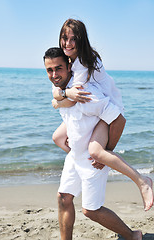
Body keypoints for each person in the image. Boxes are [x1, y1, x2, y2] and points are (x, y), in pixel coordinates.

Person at [51, 18, 153, 212]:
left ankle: (142, 181)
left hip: (108, 110)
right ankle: (89, 162)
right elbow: (61, 93)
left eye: (74, 39)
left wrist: (107, 150)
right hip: (95, 109)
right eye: (65, 38)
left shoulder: (83, 62)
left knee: (97, 152)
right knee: (58, 137)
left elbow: (73, 98)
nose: (68, 43)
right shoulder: (70, 60)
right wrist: (60, 97)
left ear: (82, 41)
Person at [44, 47, 143, 240]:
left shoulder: (86, 93)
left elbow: (119, 120)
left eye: (59, 68)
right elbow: (58, 99)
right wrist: (60, 98)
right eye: (49, 70)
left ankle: (132, 236)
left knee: (91, 210)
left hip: (92, 158)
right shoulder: (61, 88)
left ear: (70, 67)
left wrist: (105, 154)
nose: (54, 75)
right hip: (75, 156)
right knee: (64, 198)